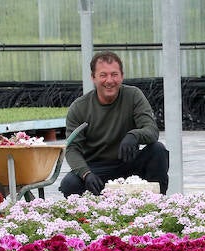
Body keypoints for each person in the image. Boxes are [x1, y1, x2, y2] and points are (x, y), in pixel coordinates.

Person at [59, 51, 170, 197]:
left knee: (158, 149)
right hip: (97, 168)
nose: (109, 80)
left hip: (129, 162)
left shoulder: (133, 95)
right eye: (103, 75)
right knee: (69, 184)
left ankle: (157, 202)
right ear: (93, 77)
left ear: (122, 76)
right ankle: (87, 214)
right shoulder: (80, 107)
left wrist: (134, 135)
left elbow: (152, 130)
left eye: (114, 74)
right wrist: (86, 174)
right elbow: (72, 149)